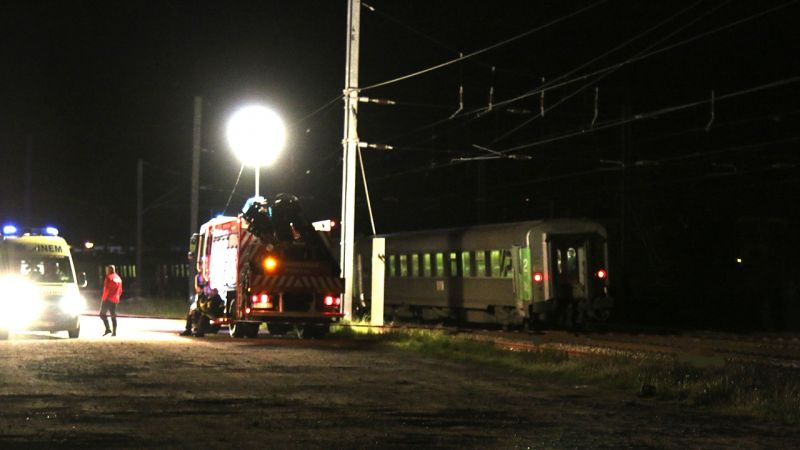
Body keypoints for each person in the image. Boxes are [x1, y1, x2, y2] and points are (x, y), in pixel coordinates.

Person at [100, 265, 123, 336]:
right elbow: (120, 290)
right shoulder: (118, 278)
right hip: (115, 299)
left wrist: (103, 298)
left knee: (102, 314)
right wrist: (117, 297)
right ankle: (114, 332)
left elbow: (106, 289)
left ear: (109, 270)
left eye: (107, 270)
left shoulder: (108, 278)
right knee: (113, 315)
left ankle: (108, 329)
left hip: (108, 298)